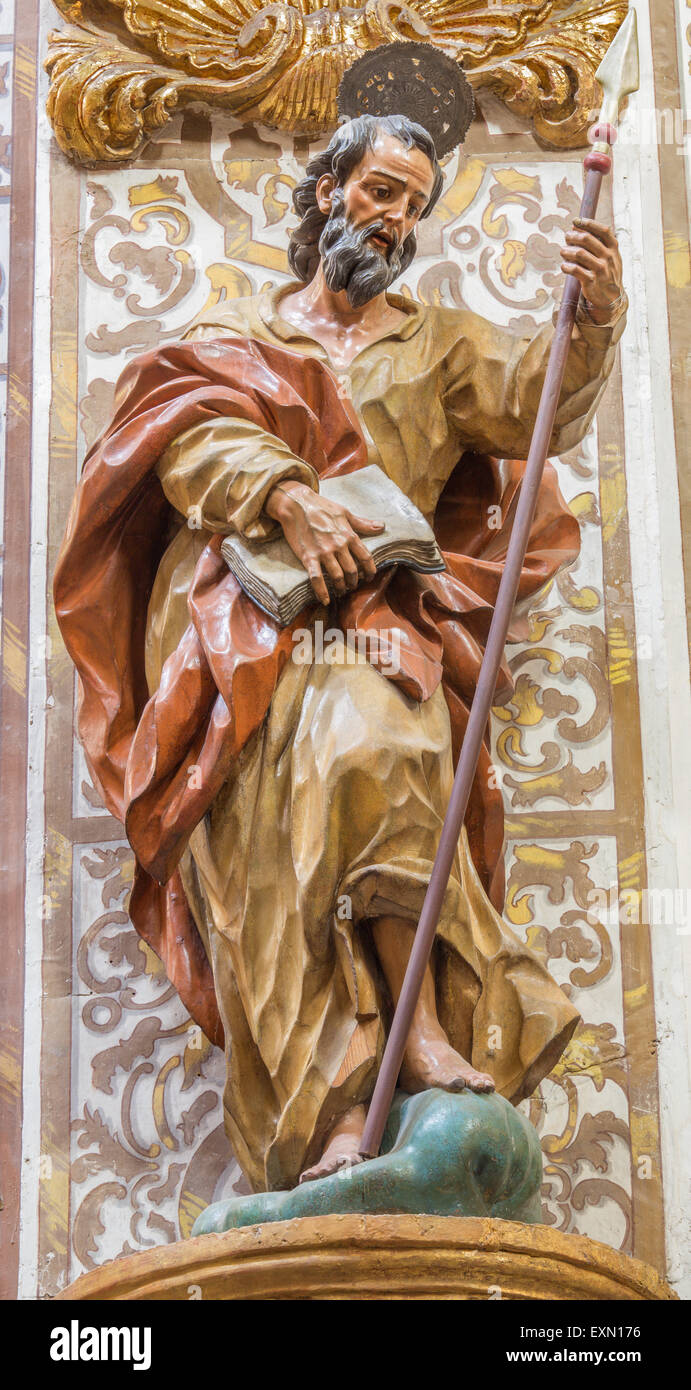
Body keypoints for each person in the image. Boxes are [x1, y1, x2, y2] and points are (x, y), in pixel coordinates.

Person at [56, 113, 627, 1193]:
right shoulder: (243, 329)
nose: (392, 214)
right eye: (377, 189)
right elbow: (178, 432)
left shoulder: (440, 340)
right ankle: (331, 1112)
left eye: (412, 200)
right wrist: (280, 490)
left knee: (386, 755)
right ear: (327, 193)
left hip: (381, 619)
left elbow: (535, 409)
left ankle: (417, 1041)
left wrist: (591, 317)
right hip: (244, 632)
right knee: (273, 866)